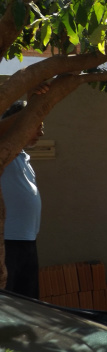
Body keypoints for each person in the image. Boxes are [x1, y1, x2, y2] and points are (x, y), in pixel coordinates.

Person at [1, 100, 44, 298]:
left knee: (29, 302)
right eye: (37, 126)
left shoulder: (23, 158)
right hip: (8, 241)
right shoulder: (4, 153)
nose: (41, 133)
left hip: (27, 241)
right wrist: (31, 104)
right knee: (9, 300)